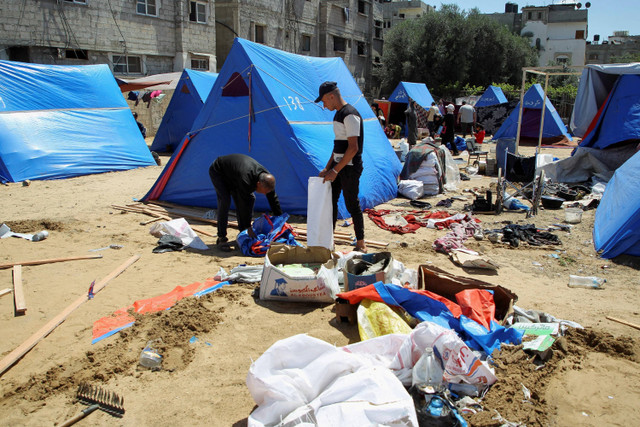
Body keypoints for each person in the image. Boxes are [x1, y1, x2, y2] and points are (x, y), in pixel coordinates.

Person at [314, 81, 367, 253]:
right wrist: (328, 167)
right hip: (338, 165)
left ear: (331, 96)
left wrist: (335, 171)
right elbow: (338, 146)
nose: (324, 105)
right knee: (331, 201)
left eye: (324, 101)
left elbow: (353, 148)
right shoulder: (337, 115)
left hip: (350, 167)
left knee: (352, 203)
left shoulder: (350, 114)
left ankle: (361, 242)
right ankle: (330, 239)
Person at [208, 154, 282, 251]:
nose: (265, 194)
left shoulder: (267, 179)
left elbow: (273, 199)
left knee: (250, 198)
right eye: (264, 191)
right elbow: (243, 205)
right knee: (225, 201)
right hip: (219, 171)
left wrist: (280, 221)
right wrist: (248, 227)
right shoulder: (246, 179)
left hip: (235, 173)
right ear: (258, 184)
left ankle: (243, 232)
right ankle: (222, 237)